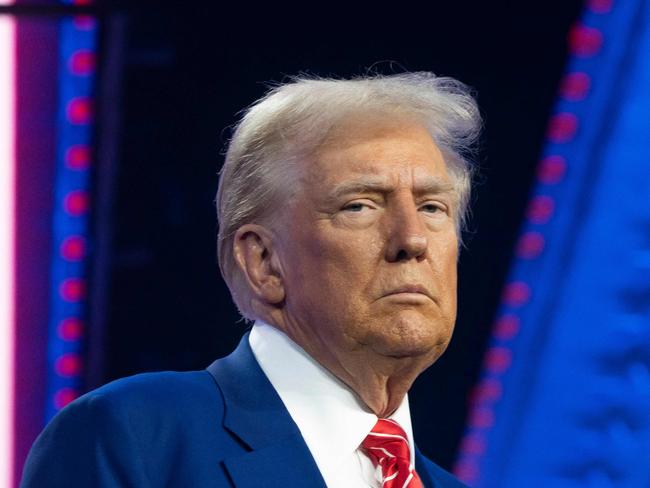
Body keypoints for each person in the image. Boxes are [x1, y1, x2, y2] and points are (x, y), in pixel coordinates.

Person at [21, 72, 481, 487]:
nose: (413, 239)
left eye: (431, 207)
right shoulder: (133, 438)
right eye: (359, 205)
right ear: (263, 262)